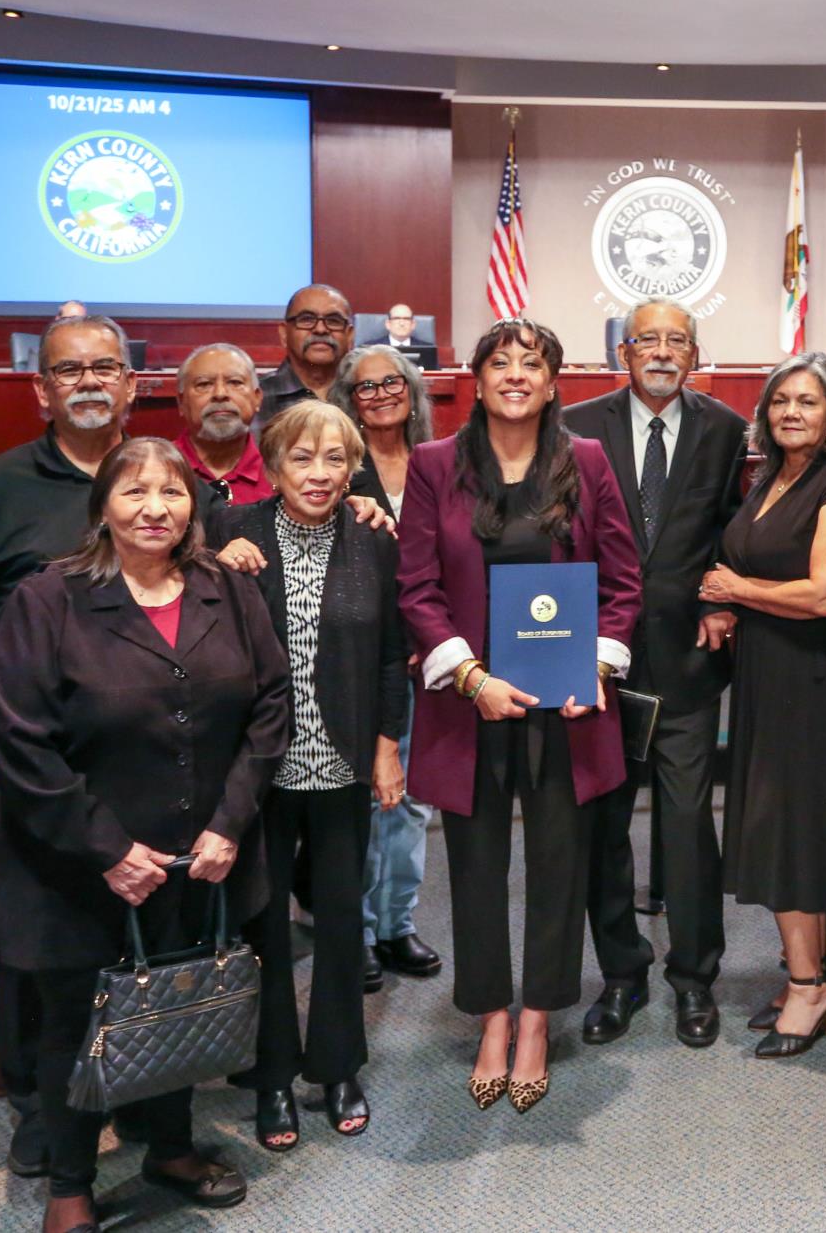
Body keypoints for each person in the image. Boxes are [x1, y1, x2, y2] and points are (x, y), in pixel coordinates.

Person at [0, 437, 291, 1233]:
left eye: (173, 492)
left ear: (194, 506)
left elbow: (270, 706)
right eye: (134, 492)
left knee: (179, 999)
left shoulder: (226, 586)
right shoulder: (50, 597)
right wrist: (108, 849)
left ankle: (171, 1147)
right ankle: (71, 1183)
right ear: (103, 507)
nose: (156, 507)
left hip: (199, 855)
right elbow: (17, 735)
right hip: (76, 864)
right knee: (76, 1021)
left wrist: (230, 825)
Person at [396, 318, 641, 1113]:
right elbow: (419, 588)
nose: (513, 374)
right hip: (473, 703)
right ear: (477, 377)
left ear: (551, 380)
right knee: (472, 870)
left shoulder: (591, 462)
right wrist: (469, 677)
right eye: (499, 361)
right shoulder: (435, 465)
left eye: (529, 363)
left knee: (560, 866)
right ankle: (491, 1019)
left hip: (565, 703)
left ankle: (537, 1018)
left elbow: (622, 581)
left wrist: (595, 667)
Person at [0, 312, 140, 1178]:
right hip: (28, 763)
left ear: (131, 383)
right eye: (69, 370)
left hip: (138, 762)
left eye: (104, 367)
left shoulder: (157, 479)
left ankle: (135, 1089)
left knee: (136, 931)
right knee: (34, 939)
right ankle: (36, 1108)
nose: (88, 381)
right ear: (41, 389)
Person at [209, 402, 409, 1151]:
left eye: (335, 458)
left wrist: (387, 745)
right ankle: (270, 1077)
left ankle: (337, 1066)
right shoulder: (234, 532)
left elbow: (392, 652)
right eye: (303, 458)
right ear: (274, 463)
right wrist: (211, 562)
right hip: (256, 769)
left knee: (339, 918)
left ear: (353, 466)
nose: (320, 473)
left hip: (342, 761)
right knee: (262, 924)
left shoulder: (372, 538)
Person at [563, 297, 748, 1049]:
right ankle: (621, 974)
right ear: (624, 352)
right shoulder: (575, 424)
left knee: (686, 820)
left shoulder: (727, 430)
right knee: (603, 826)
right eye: (650, 339)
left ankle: (694, 976)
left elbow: (738, 524)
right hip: (597, 660)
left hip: (685, 661)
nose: (664, 351)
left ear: (695, 355)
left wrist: (726, 593)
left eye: (679, 340)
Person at [696, 353, 826, 1059]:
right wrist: (733, 604)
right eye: (780, 402)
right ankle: (805, 972)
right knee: (775, 825)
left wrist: (735, 593)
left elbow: (825, 593)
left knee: (797, 830)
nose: (792, 413)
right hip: (766, 676)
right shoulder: (773, 476)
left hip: (813, 681)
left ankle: (811, 986)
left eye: (807, 401)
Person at [331, 344, 443, 991]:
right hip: (366, 657)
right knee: (367, 800)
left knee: (412, 801)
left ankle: (398, 923)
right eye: (364, 386)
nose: (378, 394)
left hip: (429, 656)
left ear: (411, 391)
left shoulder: (440, 462)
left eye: (390, 382)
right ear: (349, 400)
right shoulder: (338, 469)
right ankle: (359, 929)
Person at [174, 342, 272, 506]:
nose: (220, 394)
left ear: (257, 398)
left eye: (234, 382)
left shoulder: (280, 474)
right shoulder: (157, 469)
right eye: (204, 384)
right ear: (181, 402)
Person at [262, 284, 357, 425]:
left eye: (333, 321)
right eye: (307, 319)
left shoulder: (367, 396)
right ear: (284, 334)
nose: (320, 329)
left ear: (350, 336)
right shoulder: (255, 398)